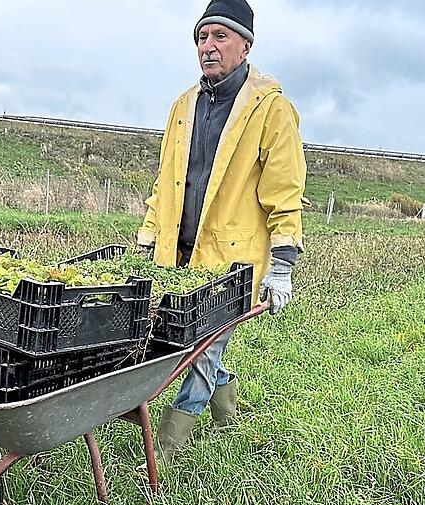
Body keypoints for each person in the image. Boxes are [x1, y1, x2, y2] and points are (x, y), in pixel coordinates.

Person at [137, 0, 307, 461]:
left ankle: (169, 449)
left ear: (245, 45)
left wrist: (282, 266)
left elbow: (285, 193)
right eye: (201, 37)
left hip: (232, 263)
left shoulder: (271, 110)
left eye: (219, 37)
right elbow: (166, 182)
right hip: (178, 257)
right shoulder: (182, 106)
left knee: (200, 351)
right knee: (186, 342)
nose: (206, 47)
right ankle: (228, 410)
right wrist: (147, 238)